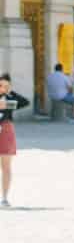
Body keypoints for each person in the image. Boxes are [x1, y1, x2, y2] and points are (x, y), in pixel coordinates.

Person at [0, 73, 27, 207]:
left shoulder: (10, 98)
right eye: (1, 85)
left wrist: (10, 93)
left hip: (6, 129)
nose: (3, 88)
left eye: (6, 86)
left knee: (6, 167)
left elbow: (25, 102)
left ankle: (4, 198)